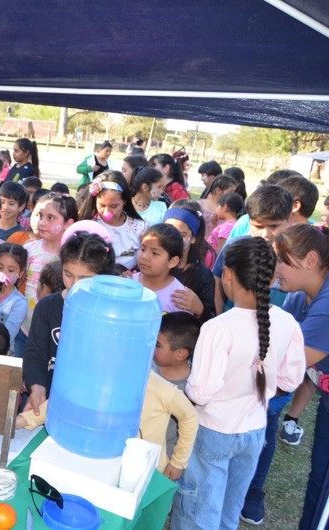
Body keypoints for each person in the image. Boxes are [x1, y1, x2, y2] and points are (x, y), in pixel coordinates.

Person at [172, 237, 305, 529]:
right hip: (254, 430)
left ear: (228, 275)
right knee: (228, 512)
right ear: (270, 279)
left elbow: (201, 393)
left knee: (198, 512)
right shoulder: (288, 323)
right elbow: (291, 379)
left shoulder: (218, 328)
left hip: (212, 430)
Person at [264, 225, 329, 530]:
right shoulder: (300, 296)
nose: (274, 267)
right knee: (320, 479)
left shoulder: (326, 306)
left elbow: (288, 363)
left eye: (281, 260)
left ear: (311, 260)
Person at [19, 226, 116, 429]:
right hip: (45, 402)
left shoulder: (112, 316)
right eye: (68, 274)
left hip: (90, 407)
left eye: (85, 279)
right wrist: (36, 387)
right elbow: (35, 353)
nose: (73, 285)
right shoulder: (48, 306)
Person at [213, 184, 294, 314]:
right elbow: (217, 281)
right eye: (258, 226)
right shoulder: (235, 247)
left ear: (290, 218)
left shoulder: (296, 254)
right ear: (248, 219)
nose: (266, 234)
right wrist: (218, 315)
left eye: (274, 226)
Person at [19, 193, 78, 357]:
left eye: (51, 218)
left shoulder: (72, 258)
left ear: (68, 224)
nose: (42, 222)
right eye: (40, 216)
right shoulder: (29, 248)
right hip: (24, 328)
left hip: (54, 331)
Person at [153, 311, 201, 467]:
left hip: (163, 459)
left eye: (158, 345)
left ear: (180, 353)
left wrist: (174, 463)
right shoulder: (147, 368)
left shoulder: (192, 388)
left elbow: (187, 427)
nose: (152, 346)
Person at [79, 172, 147, 270]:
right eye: (102, 205)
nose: (107, 212)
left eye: (114, 206)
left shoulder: (139, 227)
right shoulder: (88, 225)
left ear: (125, 201)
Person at [164, 202, 217, 322]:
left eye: (182, 234)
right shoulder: (153, 263)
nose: (173, 239)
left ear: (193, 238)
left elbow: (211, 319)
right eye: (167, 232)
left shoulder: (202, 276)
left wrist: (200, 309)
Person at [132, 224, 190, 313]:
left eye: (155, 253)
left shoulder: (179, 297)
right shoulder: (129, 282)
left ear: (172, 261)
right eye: (143, 249)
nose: (144, 257)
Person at [0, 243, 29, 355]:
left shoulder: (19, 303)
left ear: (20, 273)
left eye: (11, 270)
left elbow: (8, 335)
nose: (3, 273)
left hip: (0, 354)